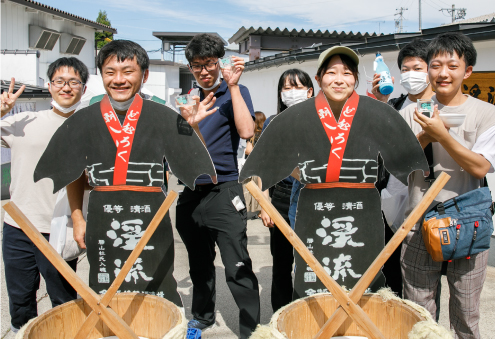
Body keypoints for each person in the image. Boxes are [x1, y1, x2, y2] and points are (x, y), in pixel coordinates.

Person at [34, 40, 217, 307]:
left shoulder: (164, 117)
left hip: (150, 216)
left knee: (157, 287)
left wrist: (190, 128)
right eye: (110, 72)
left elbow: (194, 165)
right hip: (103, 217)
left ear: (144, 75)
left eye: (128, 71)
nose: (119, 80)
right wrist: (78, 218)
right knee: (108, 289)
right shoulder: (84, 120)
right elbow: (72, 173)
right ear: (101, 75)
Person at [240, 46, 427, 300]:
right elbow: (272, 161)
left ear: (356, 80)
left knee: (361, 273)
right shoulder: (295, 118)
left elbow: (399, 159)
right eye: (331, 72)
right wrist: (307, 174)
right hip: (314, 202)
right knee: (313, 271)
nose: (339, 79)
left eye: (347, 73)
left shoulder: (375, 114)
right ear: (318, 79)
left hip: (361, 206)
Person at [400, 32, 495, 339]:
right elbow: (400, 169)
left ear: (467, 71)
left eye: (452, 65)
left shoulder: (486, 113)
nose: (442, 73)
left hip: (469, 223)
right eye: (436, 64)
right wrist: (424, 136)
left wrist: (441, 135)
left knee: (466, 314)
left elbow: (480, 166)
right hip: (418, 220)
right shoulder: (410, 112)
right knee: (418, 312)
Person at [175, 33, 260, 339]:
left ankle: (252, 327)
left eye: (210, 63)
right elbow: (184, 151)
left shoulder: (236, 91)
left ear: (221, 62)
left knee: (237, 264)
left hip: (225, 189)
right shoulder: (187, 98)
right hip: (192, 191)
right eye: (196, 65)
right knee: (198, 264)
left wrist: (234, 85)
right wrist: (192, 124)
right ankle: (202, 317)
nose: (203, 71)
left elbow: (247, 130)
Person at [1, 58, 88, 332]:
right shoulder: (21, 121)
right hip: (19, 227)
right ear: (49, 86)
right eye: (59, 81)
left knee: (63, 301)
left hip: (61, 227)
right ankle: (21, 334)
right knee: (21, 300)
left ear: (83, 89)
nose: (66, 87)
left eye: (74, 82)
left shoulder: (90, 128)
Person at [372, 38, 435, 298]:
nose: (411, 75)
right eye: (406, 69)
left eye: (418, 68)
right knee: (392, 270)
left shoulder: (441, 107)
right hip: (390, 199)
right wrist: (380, 100)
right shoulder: (394, 105)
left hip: (426, 201)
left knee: (425, 278)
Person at [259, 69, 314, 311]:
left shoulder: (319, 119)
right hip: (280, 198)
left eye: (298, 87)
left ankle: (305, 313)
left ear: (310, 91)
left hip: (311, 198)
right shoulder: (272, 121)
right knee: (281, 262)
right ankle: (280, 316)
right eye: (287, 88)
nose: (292, 93)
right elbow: (264, 166)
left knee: (310, 263)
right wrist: (264, 204)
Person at [243, 111, 266, 218]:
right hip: (263, 165)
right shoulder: (264, 134)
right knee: (263, 189)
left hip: (253, 167)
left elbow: (248, 150)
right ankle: (263, 210)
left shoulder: (252, 135)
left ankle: (255, 211)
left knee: (252, 190)